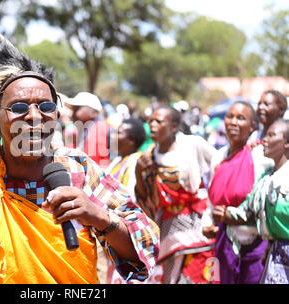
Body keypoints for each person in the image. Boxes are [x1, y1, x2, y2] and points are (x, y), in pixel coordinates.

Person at [0, 9, 160, 284]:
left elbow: (146, 245)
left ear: (57, 116)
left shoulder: (79, 169)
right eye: (19, 107)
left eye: (46, 106)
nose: (34, 116)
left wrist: (97, 216)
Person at [135, 104, 217, 284]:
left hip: (197, 223)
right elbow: (146, 200)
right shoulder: (150, 155)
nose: (153, 125)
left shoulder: (192, 144)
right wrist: (138, 170)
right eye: (151, 121)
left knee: (195, 274)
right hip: (167, 226)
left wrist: (215, 206)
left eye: (159, 121)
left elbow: (220, 165)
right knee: (171, 276)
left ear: (173, 126)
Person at [202, 101, 273, 284]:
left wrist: (232, 215)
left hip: (254, 246)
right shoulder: (218, 157)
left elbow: (262, 202)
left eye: (241, 118)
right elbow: (212, 201)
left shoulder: (260, 158)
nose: (233, 122)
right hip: (223, 244)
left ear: (252, 127)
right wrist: (208, 223)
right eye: (230, 116)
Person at [213, 119, 289, 284]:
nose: (264, 140)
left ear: (287, 143)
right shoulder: (266, 177)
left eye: (271, 135)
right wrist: (227, 214)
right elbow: (249, 209)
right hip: (275, 254)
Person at [104, 117, 148, 283]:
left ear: (131, 140)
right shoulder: (116, 161)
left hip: (126, 229)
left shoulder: (136, 161)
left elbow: (130, 197)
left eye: (119, 133)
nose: (113, 136)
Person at [64, 92, 113, 169]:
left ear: (94, 112)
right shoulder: (81, 131)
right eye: (73, 109)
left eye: (77, 109)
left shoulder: (105, 129)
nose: (73, 114)